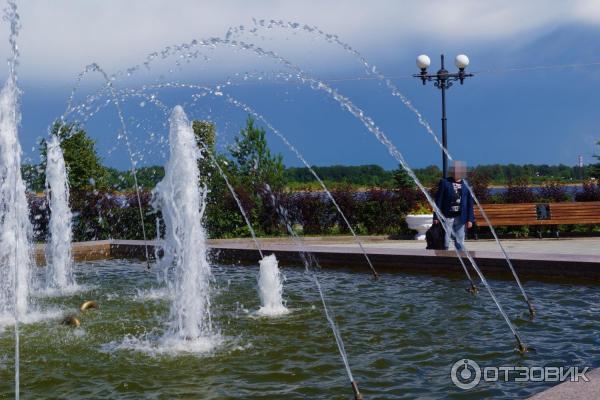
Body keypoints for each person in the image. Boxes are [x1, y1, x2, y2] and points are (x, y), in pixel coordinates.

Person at [432, 161, 475, 250]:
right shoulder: (445, 182)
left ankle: (459, 256)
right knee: (445, 239)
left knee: (460, 240)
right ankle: (444, 253)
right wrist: (435, 217)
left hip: (461, 216)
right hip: (447, 216)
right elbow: (438, 201)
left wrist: (470, 219)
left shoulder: (466, 185)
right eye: (455, 170)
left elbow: (470, 203)